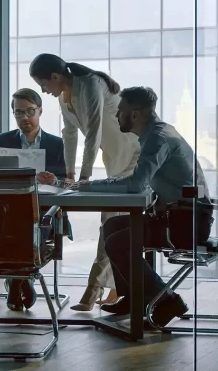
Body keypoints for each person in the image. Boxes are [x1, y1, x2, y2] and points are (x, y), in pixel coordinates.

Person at [53, 86, 210, 328]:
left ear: (135, 114)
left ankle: (167, 300)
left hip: (186, 224)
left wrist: (88, 186)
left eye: (120, 111)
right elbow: (142, 182)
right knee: (112, 225)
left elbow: (136, 184)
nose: (116, 116)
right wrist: (95, 185)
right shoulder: (157, 133)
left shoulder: (157, 138)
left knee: (118, 242)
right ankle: (132, 297)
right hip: (180, 217)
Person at [29, 54, 140, 311]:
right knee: (115, 224)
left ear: (55, 76)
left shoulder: (90, 84)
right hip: (115, 158)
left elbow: (93, 131)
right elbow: (69, 134)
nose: (43, 91)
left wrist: (84, 177)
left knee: (111, 220)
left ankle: (95, 288)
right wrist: (70, 173)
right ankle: (116, 287)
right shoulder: (64, 96)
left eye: (43, 84)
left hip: (133, 156)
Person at [0, 88, 69, 311]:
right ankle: (23, 278)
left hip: (43, 209)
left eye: (30, 111)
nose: (24, 117)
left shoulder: (56, 144)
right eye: (19, 112)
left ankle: (17, 280)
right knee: (14, 222)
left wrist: (54, 180)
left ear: (40, 111)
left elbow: (67, 181)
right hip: (9, 207)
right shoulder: (3, 140)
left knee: (32, 224)